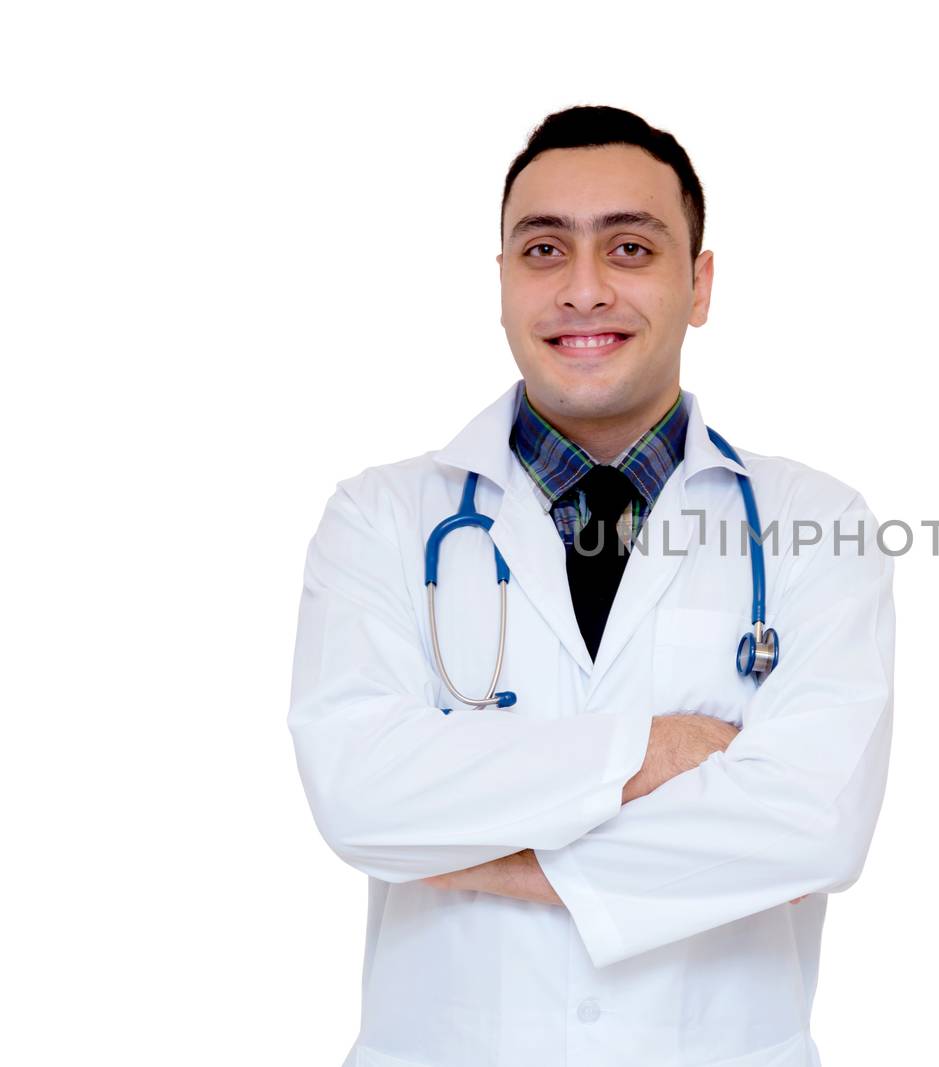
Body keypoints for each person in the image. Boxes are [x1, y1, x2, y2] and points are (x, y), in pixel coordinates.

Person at [287, 105, 896, 1067]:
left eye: (629, 247)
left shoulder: (812, 523)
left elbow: (812, 832)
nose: (582, 289)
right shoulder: (380, 518)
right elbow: (362, 796)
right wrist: (660, 749)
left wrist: (470, 849)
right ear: (500, 285)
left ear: (698, 284)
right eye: (542, 249)